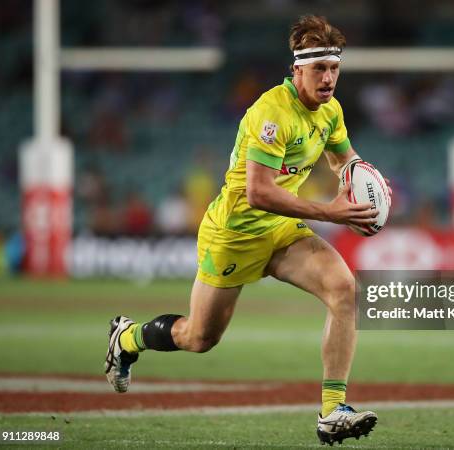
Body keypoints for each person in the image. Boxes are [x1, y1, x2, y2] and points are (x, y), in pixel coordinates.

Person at [105, 15, 386, 445]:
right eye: (319, 69)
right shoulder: (271, 114)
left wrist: (365, 178)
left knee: (344, 290)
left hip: (281, 231)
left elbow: (342, 158)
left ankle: (332, 411)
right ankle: (127, 339)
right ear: (297, 69)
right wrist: (331, 213)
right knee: (200, 338)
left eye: (334, 68)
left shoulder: (330, 110)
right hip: (234, 231)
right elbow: (258, 193)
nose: (328, 78)